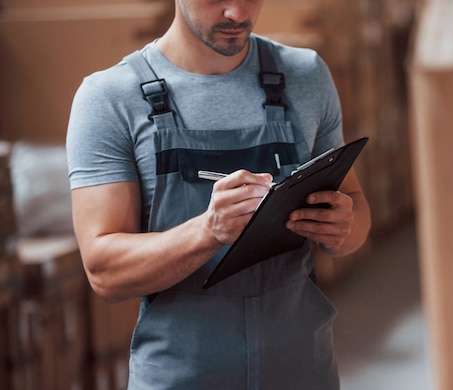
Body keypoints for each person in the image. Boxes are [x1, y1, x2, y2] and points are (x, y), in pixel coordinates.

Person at [66, 0, 371, 388]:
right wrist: (208, 232)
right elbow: (104, 272)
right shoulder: (110, 99)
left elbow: (356, 215)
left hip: (303, 369)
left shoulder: (305, 75)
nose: (237, 14)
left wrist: (343, 227)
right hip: (182, 378)